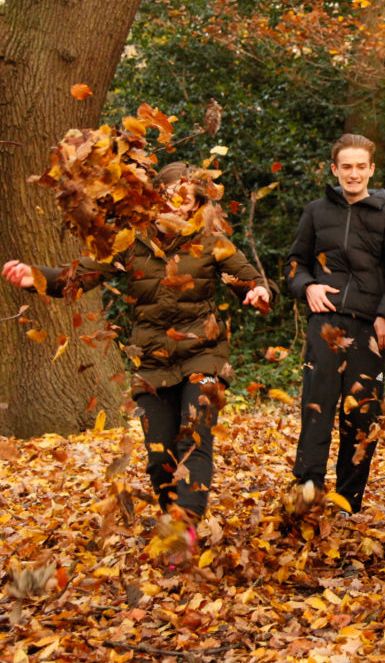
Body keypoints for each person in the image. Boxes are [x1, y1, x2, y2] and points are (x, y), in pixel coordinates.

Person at [3, 161, 274, 564]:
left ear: (199, 201)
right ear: (155, 197)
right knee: (160, 457)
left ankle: (184, 530)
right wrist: (38, 278)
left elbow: (249, 278)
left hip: (203, 355)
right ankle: (172, 525)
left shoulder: (213, 241)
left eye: (190, 199)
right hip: (150, 362)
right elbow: (81, 274)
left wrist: (258, 292)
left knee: (193, 439)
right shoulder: (129, 241)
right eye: (171, 197)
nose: (181, 206)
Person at [285, 133, 385, 515]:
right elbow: (295, 263)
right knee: (317, 407)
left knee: (361, 416)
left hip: (368, 328)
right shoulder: (316, 212)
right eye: (347, 166)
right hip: (325, 325)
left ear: (371, 169)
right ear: (335, 169)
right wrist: (307, 286)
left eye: (361, 166)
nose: (354, 173)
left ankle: (348, 501)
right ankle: (307, 490)